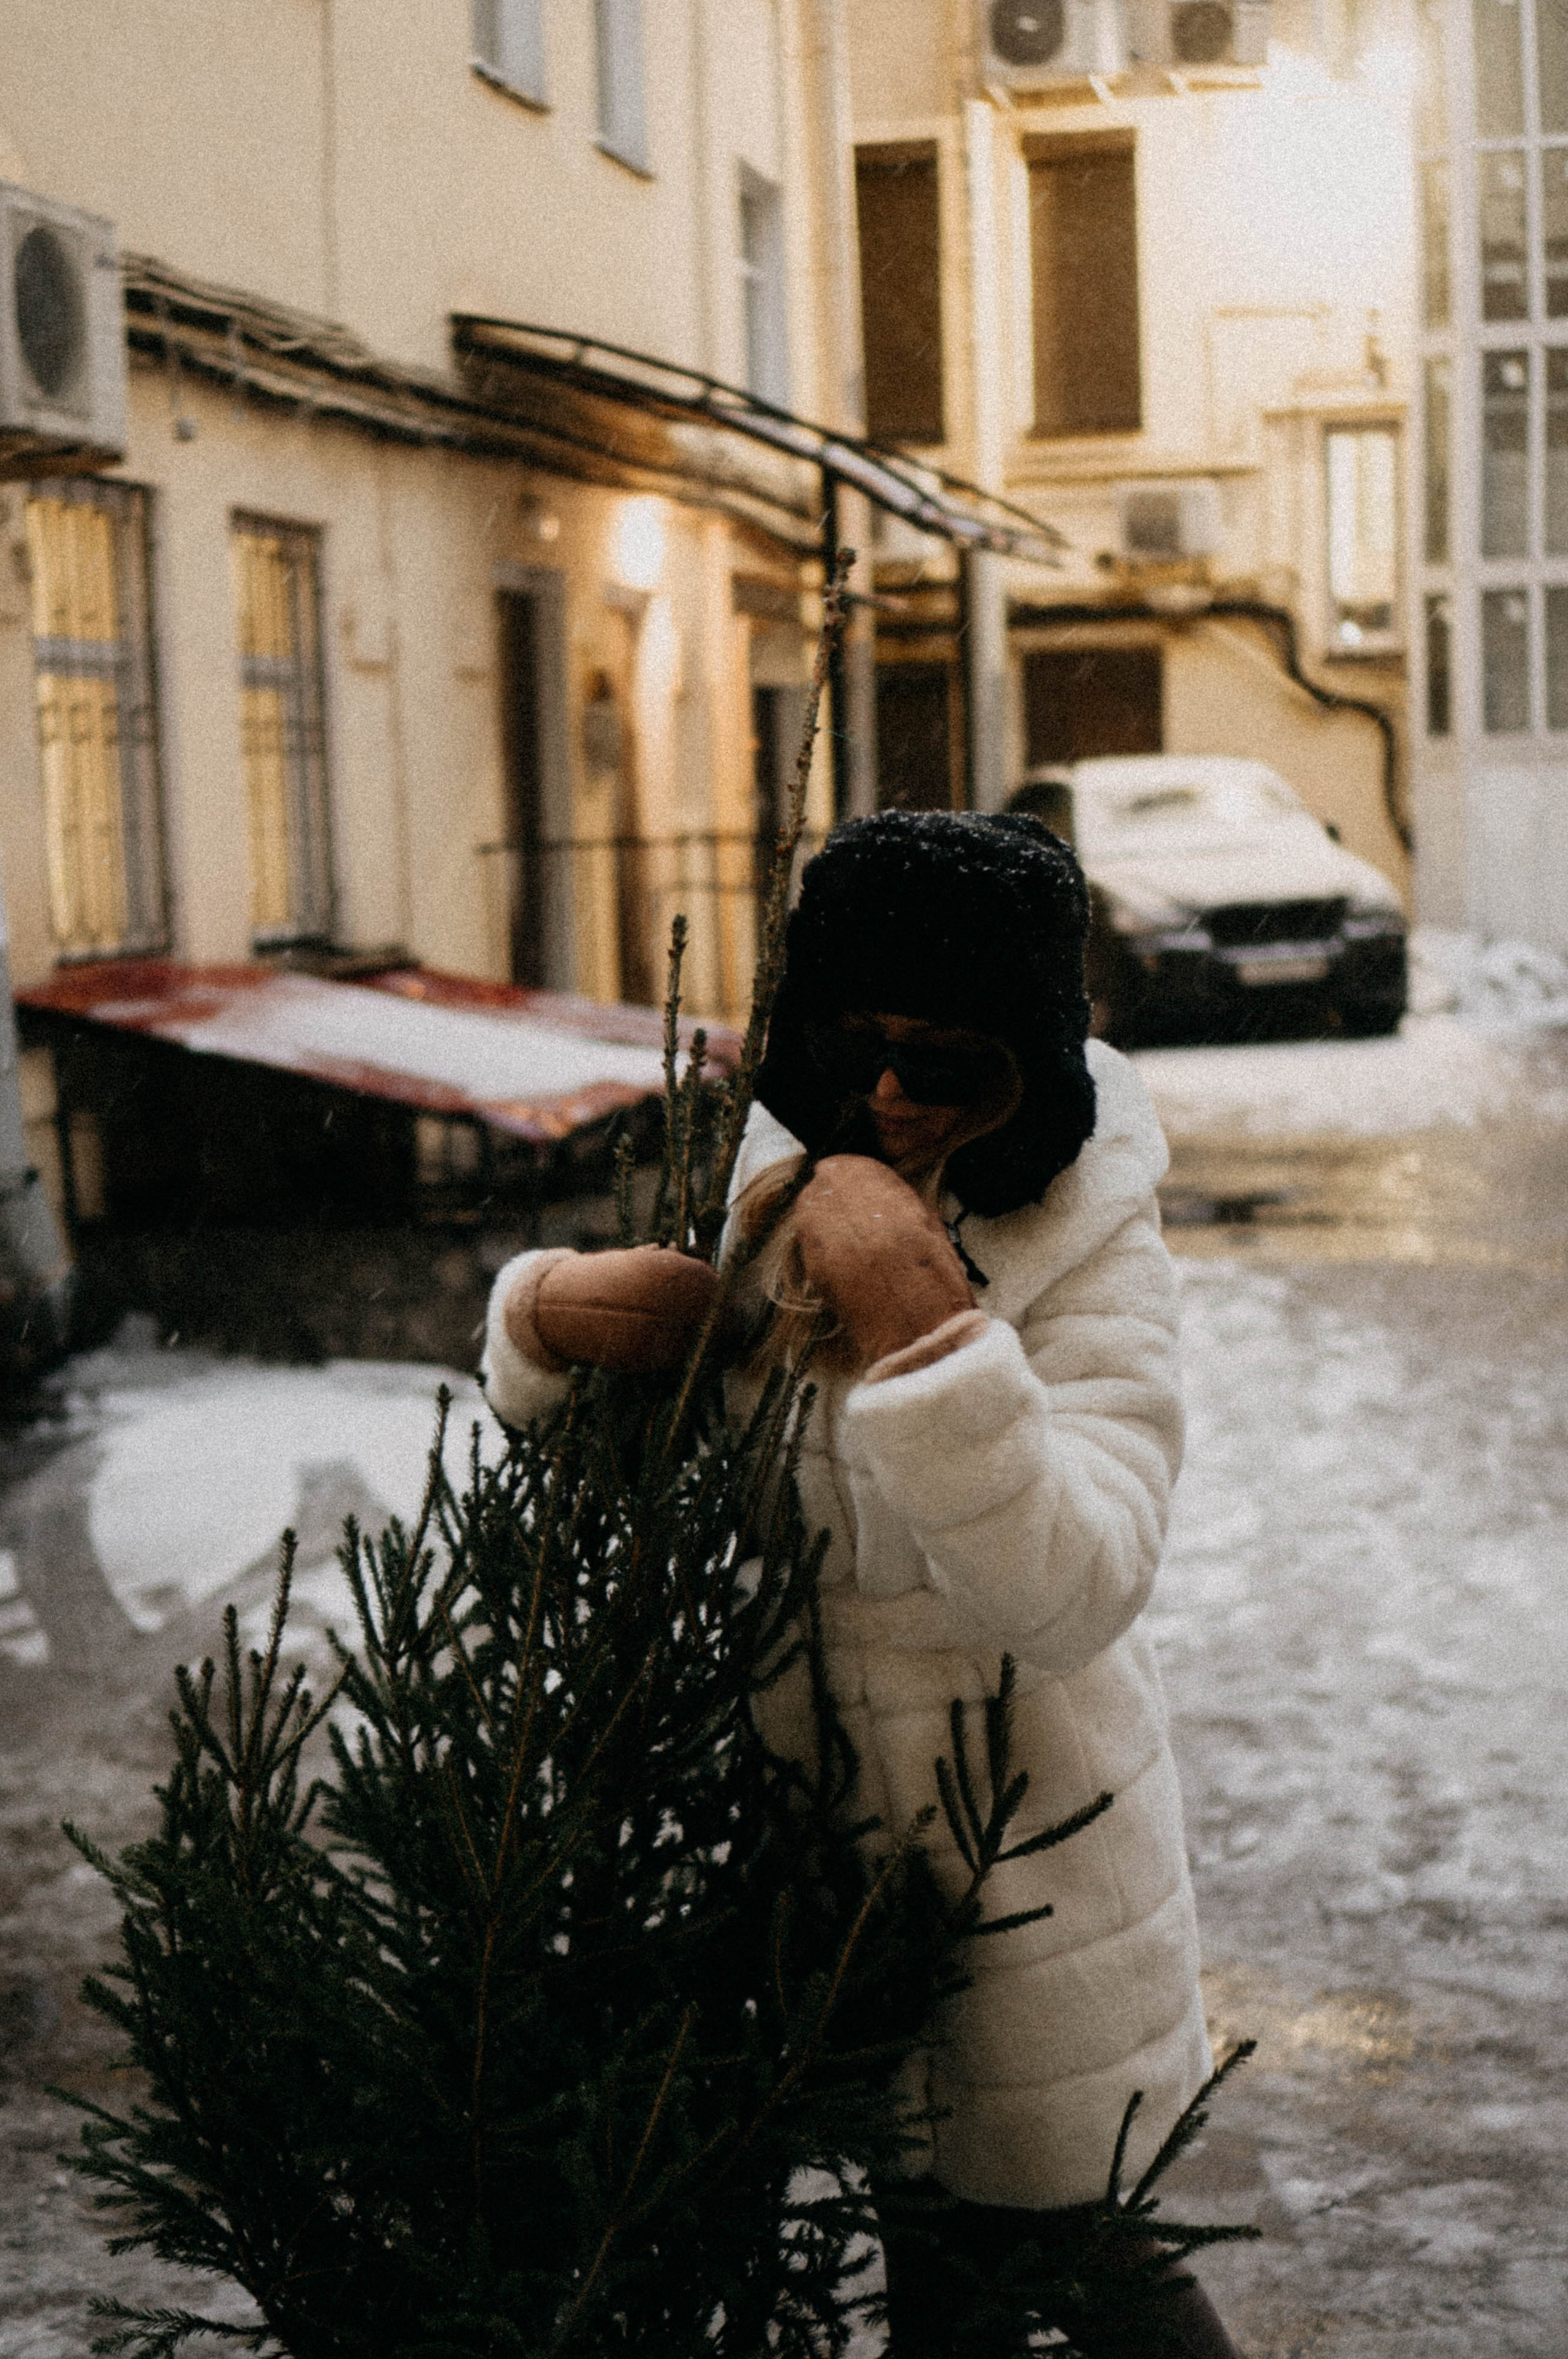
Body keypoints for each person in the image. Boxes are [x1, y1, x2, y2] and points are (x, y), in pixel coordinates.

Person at [480, 810, 1242, 2358]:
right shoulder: (764, 1178)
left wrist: (922, 1327)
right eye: (854, 1045)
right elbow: (645, 1455)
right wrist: (552, 1320)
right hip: (812, 1854)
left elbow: (1080, 1583)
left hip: (1026, 1856)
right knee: (930, 2274)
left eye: (946, 1062)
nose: (889, 1094)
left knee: (1085, 2250)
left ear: (1030, 1056)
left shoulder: (1092, 1244)